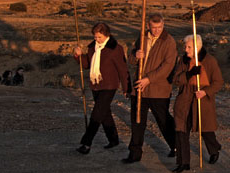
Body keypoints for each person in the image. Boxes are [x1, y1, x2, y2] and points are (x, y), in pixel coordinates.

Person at [123, 13, 177, 164]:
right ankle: (134, 153)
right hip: (140, 88)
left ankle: (176, 146)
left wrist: (149, 79)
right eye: (154, 28)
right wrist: (135, 54)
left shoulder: (169, 41)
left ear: (163, 25)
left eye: (159, 27)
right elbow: (132, 60)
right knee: (137, 122)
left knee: (163, 120)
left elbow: (168, 66)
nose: (156, 31)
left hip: (158, 90)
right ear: (148, 26)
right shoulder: (142, 38)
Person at [72, 22, 129, 154]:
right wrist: (79, 56)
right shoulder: (92, 47)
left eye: (99, 37)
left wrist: (126, 88)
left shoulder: (115, 48)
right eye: (95, 37)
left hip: (109, 85)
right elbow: (87, 64)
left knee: (97, 114)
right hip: (96, 84)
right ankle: (113, 139)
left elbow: (122, 69)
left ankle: (86, 143)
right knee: (104, 113)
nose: (97, 39)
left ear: (107, 34)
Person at [171, 34, 224, 172]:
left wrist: (205, 92)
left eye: (189, 47)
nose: (186, 49)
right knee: (181, 130)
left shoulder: (210, 61)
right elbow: (175, 80)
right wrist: (188, 74)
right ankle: (183, 163)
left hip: (202, 100)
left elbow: (218, 82)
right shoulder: (183, 61)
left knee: (205, 130)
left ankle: (214, 150)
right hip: (184, 100)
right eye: (185, 46)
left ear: (197, 47)